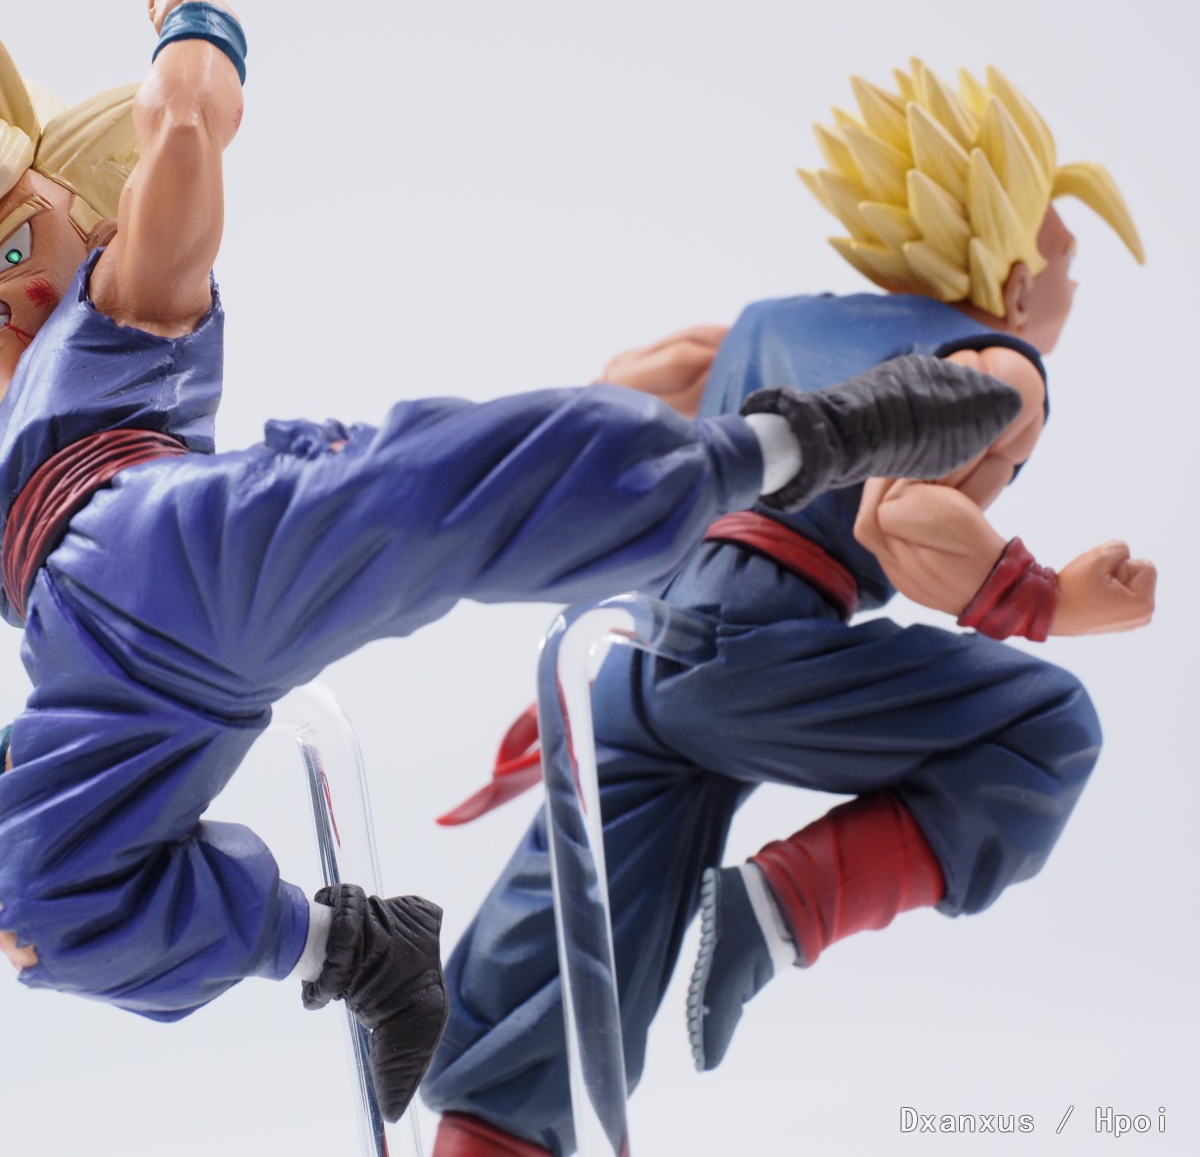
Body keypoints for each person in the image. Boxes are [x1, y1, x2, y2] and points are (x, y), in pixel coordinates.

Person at [0, 0, 1020, 1121]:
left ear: (81, 220)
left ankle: (808, 439)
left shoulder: (108, 321)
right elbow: (89, 709)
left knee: (425, 496)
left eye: (6, 249)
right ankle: (356, 951)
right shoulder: (0, 472)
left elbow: (181, 137)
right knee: (39, 913)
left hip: (188, 543)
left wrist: (196, 36)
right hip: (103, 667)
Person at [424, 60, 1154, 1155]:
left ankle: (486, 1134)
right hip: (753, 645)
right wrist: (1049, 600)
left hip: (635, 658)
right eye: (1067, 261)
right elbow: (900, 520)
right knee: (1045, 730)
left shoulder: (769, 322)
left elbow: (618, 395)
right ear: (1012, 280)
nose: (1073, 290)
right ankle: (782, 907)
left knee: (570, 950)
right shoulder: (1001, 368)